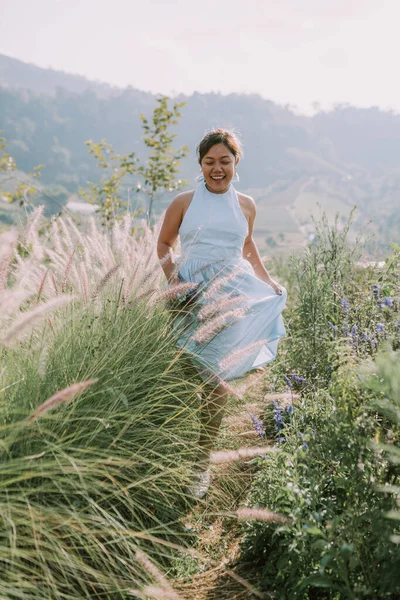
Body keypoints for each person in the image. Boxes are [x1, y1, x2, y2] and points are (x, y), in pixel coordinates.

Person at [157, 128, 286, 498]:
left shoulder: (246, 205)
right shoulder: (183, 202)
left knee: (214, 383)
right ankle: (170, 451)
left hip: (231, 295)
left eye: (224, 161)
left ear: (236, 163)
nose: (217, 168)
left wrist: (267, 280)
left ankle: (200, 464)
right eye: (210, 161)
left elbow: (246, 246)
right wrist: (173, 283)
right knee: (182, 373)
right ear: (200, 164)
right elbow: (164, 243)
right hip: (190, 295)